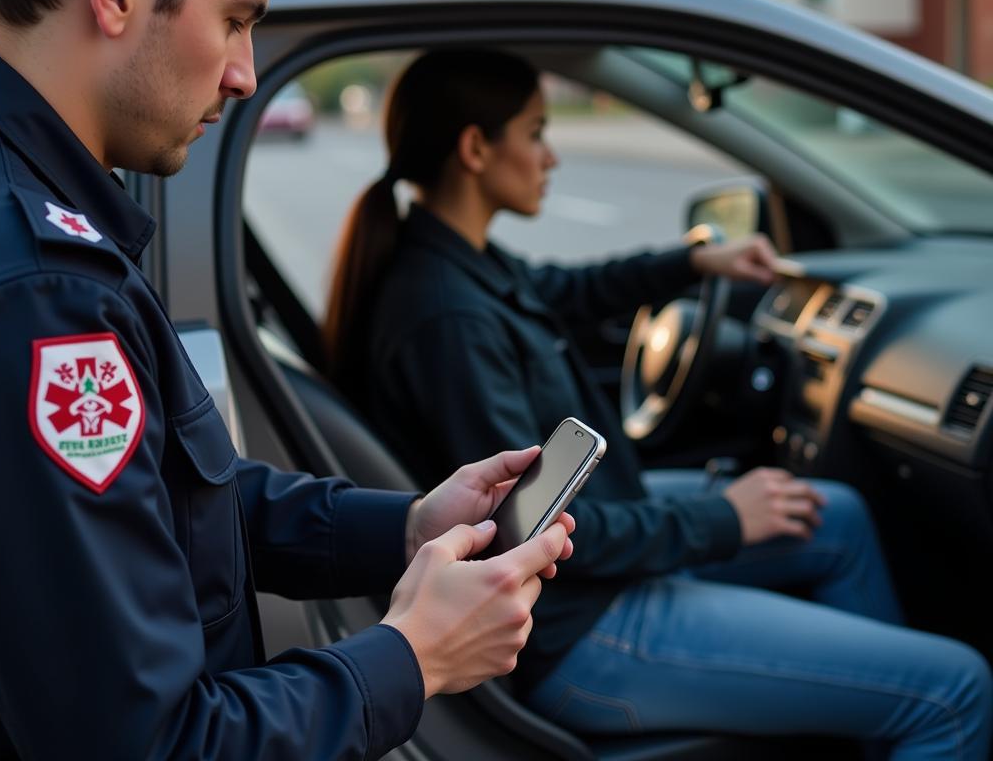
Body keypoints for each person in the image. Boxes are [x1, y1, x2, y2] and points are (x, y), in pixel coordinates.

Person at [0, 0, 574, 760]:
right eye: (237, 19)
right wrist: (412, 657)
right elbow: (151, 745)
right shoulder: (38, 292)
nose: (247, 73)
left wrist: (408, 528)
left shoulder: (30, 213)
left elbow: (172, 499)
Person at [325, 47, 993, 759]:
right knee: (955, 690)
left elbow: (568, 292)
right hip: (578, 626)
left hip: (590, 566)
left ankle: (859, 717)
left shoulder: (461, 265)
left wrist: (693, 261)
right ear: (476, 148)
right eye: (537, 132)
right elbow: (538, 535)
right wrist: (725, 519)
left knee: (836, 515)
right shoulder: (446, 318)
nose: (551, 157)